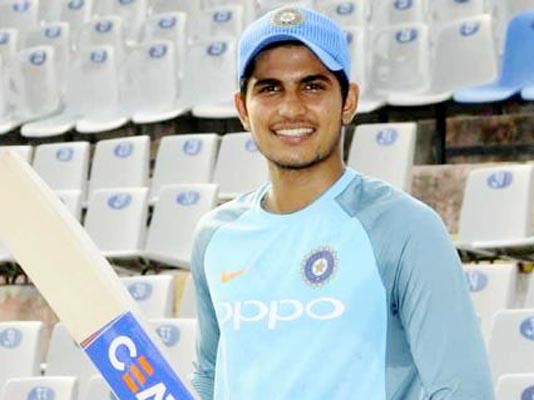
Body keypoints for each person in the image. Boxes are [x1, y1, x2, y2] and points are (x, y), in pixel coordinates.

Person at [190, 5, 493, 399]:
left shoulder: (405, 229)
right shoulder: (215, 236)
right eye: (270, 88)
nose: (291, 108)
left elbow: (463, 390)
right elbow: (209, 375)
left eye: (312, 86)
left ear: (348, 101)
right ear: (243, 109)